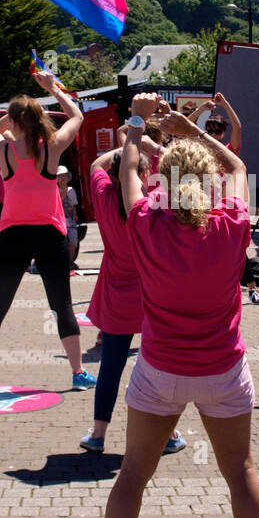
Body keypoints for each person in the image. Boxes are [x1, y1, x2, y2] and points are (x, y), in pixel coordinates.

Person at [73, 92, 259, 518]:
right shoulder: (234, 223)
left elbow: (127, 167)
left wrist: (136, 120)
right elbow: (236, 163)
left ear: (164, 183)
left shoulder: (147, 222)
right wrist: (191, 132)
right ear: (208, 181)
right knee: (240, 471)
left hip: (160, 369)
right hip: (223, 370)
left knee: (134, 473)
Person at [0, 70, 95, 391]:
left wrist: (9, 120)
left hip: (12, 235)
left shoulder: (4, 150)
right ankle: (78, 374)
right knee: (61, 304)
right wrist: (52, 89)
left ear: (14, 121)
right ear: (38, 120)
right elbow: (77, 115)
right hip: (49, 235)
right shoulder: (51, 148)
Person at [80, 143, 185, 456]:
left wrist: (125, 143)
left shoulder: (103, 194)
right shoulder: (151, 203)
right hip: (151, 292)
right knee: (156, 367)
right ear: (143, 173)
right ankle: (168, 434)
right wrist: (143, 147)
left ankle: (98, 434)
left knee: (110, 366)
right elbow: (179, 173)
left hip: (115, 293)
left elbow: (94, 166)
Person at [188, 91, 244, 155]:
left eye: (218, 131)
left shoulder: (228, 151)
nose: (213, 135)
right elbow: (184, 126)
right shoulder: (200, 150)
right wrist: (201, 109)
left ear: (223, 133)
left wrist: (225, 104)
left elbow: (237, 128)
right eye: (210, 131)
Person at [58, 166, 80, 269]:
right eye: (60, 176)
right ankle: (62, 262)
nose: (63, 178)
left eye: (65, 176)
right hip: (59, 220)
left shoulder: (71, 190)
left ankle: (70, 261)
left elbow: (73, 205)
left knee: (73, 241)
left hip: (70, 219)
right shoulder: (54, 190)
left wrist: (75, 214)